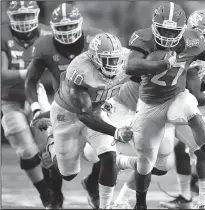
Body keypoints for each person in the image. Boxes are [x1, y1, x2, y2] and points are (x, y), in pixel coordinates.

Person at [125, 2, 205, 209]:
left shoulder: (192, 42)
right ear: (154, 27)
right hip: (149, 104)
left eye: (173, 31)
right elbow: (130, 66)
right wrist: (160, 64)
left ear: (183, 30)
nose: (168, 36)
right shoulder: (144, 38)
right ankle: (137, 201)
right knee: (149, 162)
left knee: (190, 109)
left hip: (176, 97)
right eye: (163, 30)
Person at [25, 3, 103, 208]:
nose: (67, 32)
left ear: (80, 25)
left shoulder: (96, 41)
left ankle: (93, 185)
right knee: (60, 160)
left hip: (95, 105)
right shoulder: (44, 46)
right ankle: (55, 195)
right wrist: (35, 108)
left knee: (107, 148)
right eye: (62, 28)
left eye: (71, 27)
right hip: (64, 108)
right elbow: (31, 80)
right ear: (52, 28)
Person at [49, 32, 133, 209]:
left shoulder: (127, 58)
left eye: (115, 60)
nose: (113, 65)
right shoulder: (80, 69)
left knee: (109, 156)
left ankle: (104, 206)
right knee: (69, 173)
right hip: (67, 114)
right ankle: (51, 147)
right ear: (95, 59)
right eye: (107, 60)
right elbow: (84, 115)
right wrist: (116, 131)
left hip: (96, 109)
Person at [1, 1, 54, 208]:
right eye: (19, 16)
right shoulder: (2, 35)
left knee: (48, 145)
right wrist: (30, 72)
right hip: (8, 99)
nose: (24, 21)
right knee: (26, 150)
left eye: (28, 15)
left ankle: (53, 188)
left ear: (37, 14)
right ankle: (45, 193)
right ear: (11, 17)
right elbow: (2, 76)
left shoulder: (47, 34)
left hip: (36, 95)